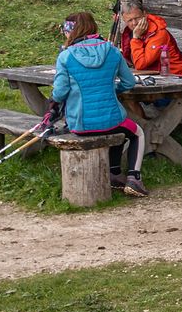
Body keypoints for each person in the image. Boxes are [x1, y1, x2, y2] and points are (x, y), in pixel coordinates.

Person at [52, 12, 149, 198]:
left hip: (80, 125)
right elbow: (129, 83)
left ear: (70, 31)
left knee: (118, 129)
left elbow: (59, 93)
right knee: (136, 132)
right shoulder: (112, 50)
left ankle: (114, 174)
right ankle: (133, 177)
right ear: (92, 27)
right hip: (112, 120)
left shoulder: (65, 56)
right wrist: (112, 90)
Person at [116, 2, 182, 77]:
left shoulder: (158, 33)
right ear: (124, 21)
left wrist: (135, 38)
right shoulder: (128, 32)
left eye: (137, 18)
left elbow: (141, 64)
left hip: (175, 76)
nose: (134, 23)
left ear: (144, 14)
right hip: (153, 74)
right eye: (130, 20)